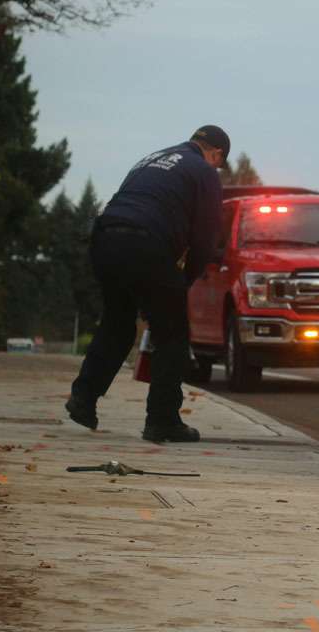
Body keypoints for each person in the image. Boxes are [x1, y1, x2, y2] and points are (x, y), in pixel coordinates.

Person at [66, 125, 229, 442]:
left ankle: (83, 399)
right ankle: (162, 420)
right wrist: (184, 280)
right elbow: (206, 237)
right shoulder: (205, 172)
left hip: (105, 239)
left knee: (117, 323)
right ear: (217, 153)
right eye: (219, 164)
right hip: (146, 243)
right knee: (172, 332)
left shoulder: (150, 159)